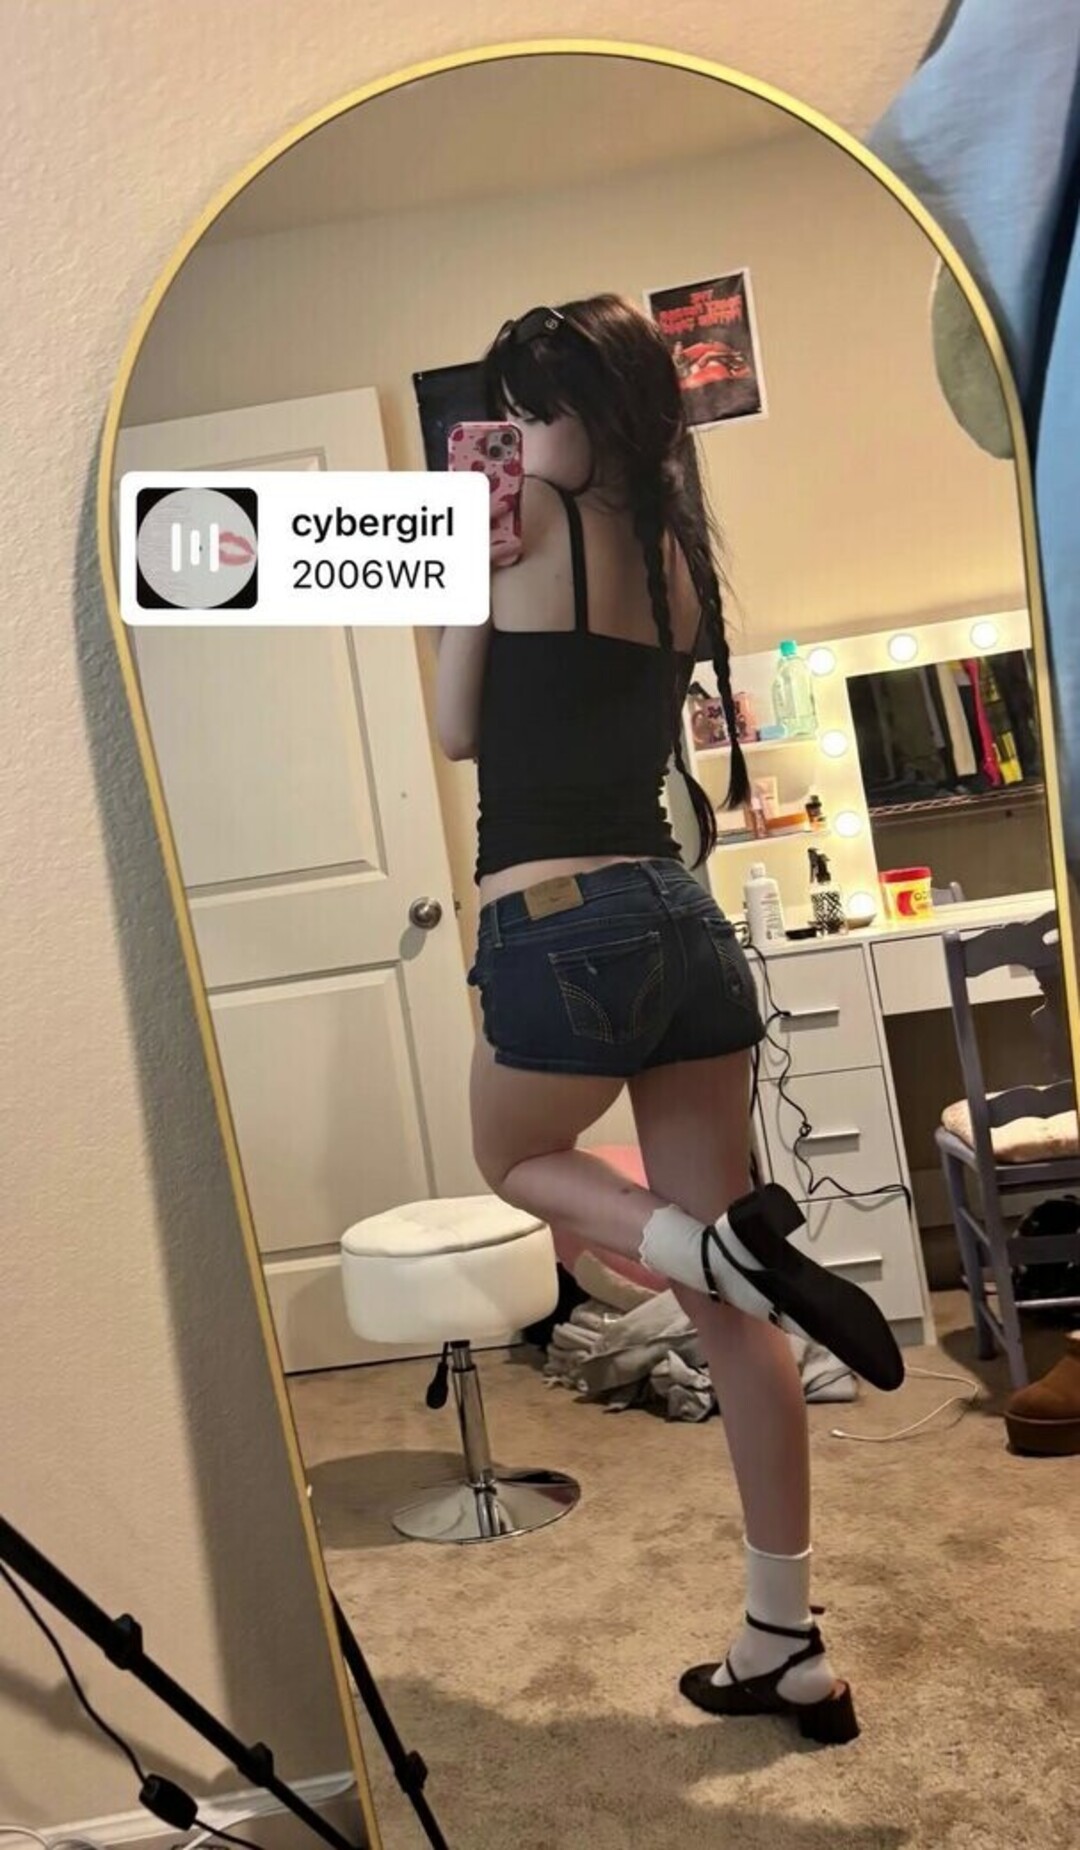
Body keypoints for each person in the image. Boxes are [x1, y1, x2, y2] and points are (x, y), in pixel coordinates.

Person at [433, 294, 903, 1745]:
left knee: (511, 1158)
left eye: (537, 409)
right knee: (739, 1313)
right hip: (680, 919)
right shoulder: (677, 554)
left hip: (557, 915)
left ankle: (704, 1243)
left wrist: (462, 568)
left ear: (591, 414)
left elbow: (457, 729)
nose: (522, 435)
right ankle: (785, 1641)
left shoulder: (519, 530)